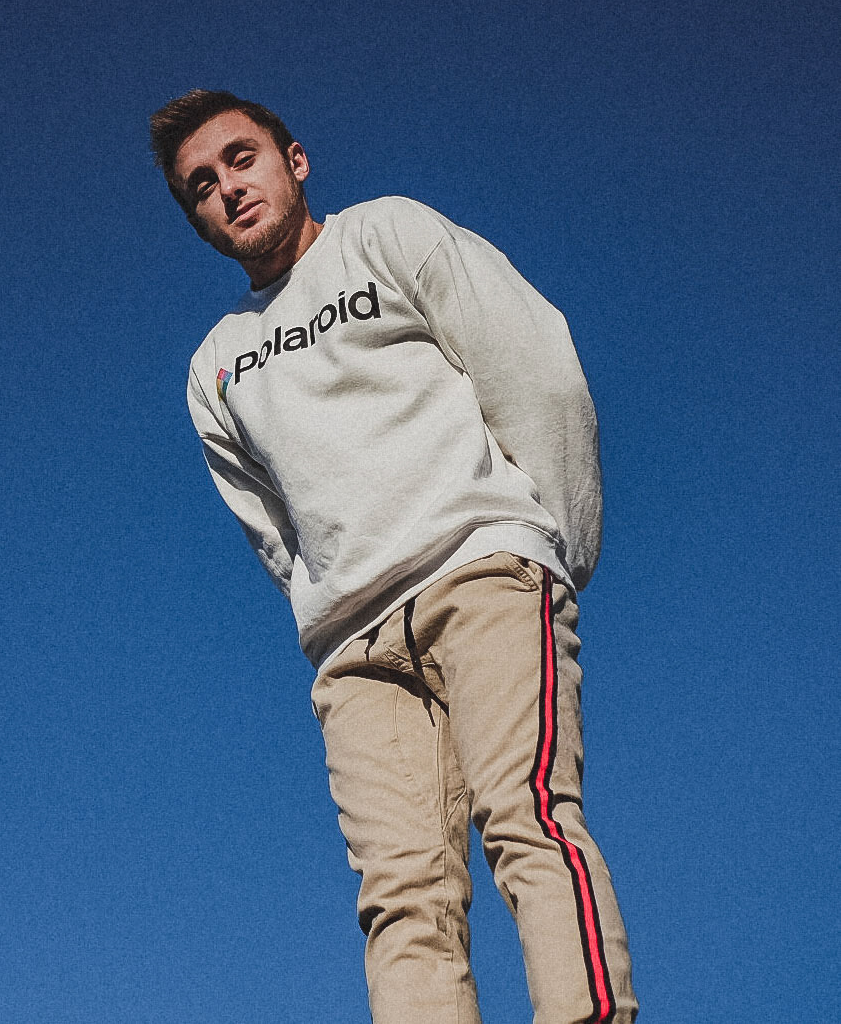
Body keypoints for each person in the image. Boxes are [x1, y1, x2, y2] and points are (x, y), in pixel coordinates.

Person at [150, 88, 637, 1024]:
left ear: (294, 160)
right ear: (197, 219)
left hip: (481, 575)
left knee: (528, 817)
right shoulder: (215, 364)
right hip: (354, 650)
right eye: (201, 185)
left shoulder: (385, 234)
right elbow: (271, 528)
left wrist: (545, 547)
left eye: (241, 159)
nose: (228, 188)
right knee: (402, 903)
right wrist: (329, 606)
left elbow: (534, 369)